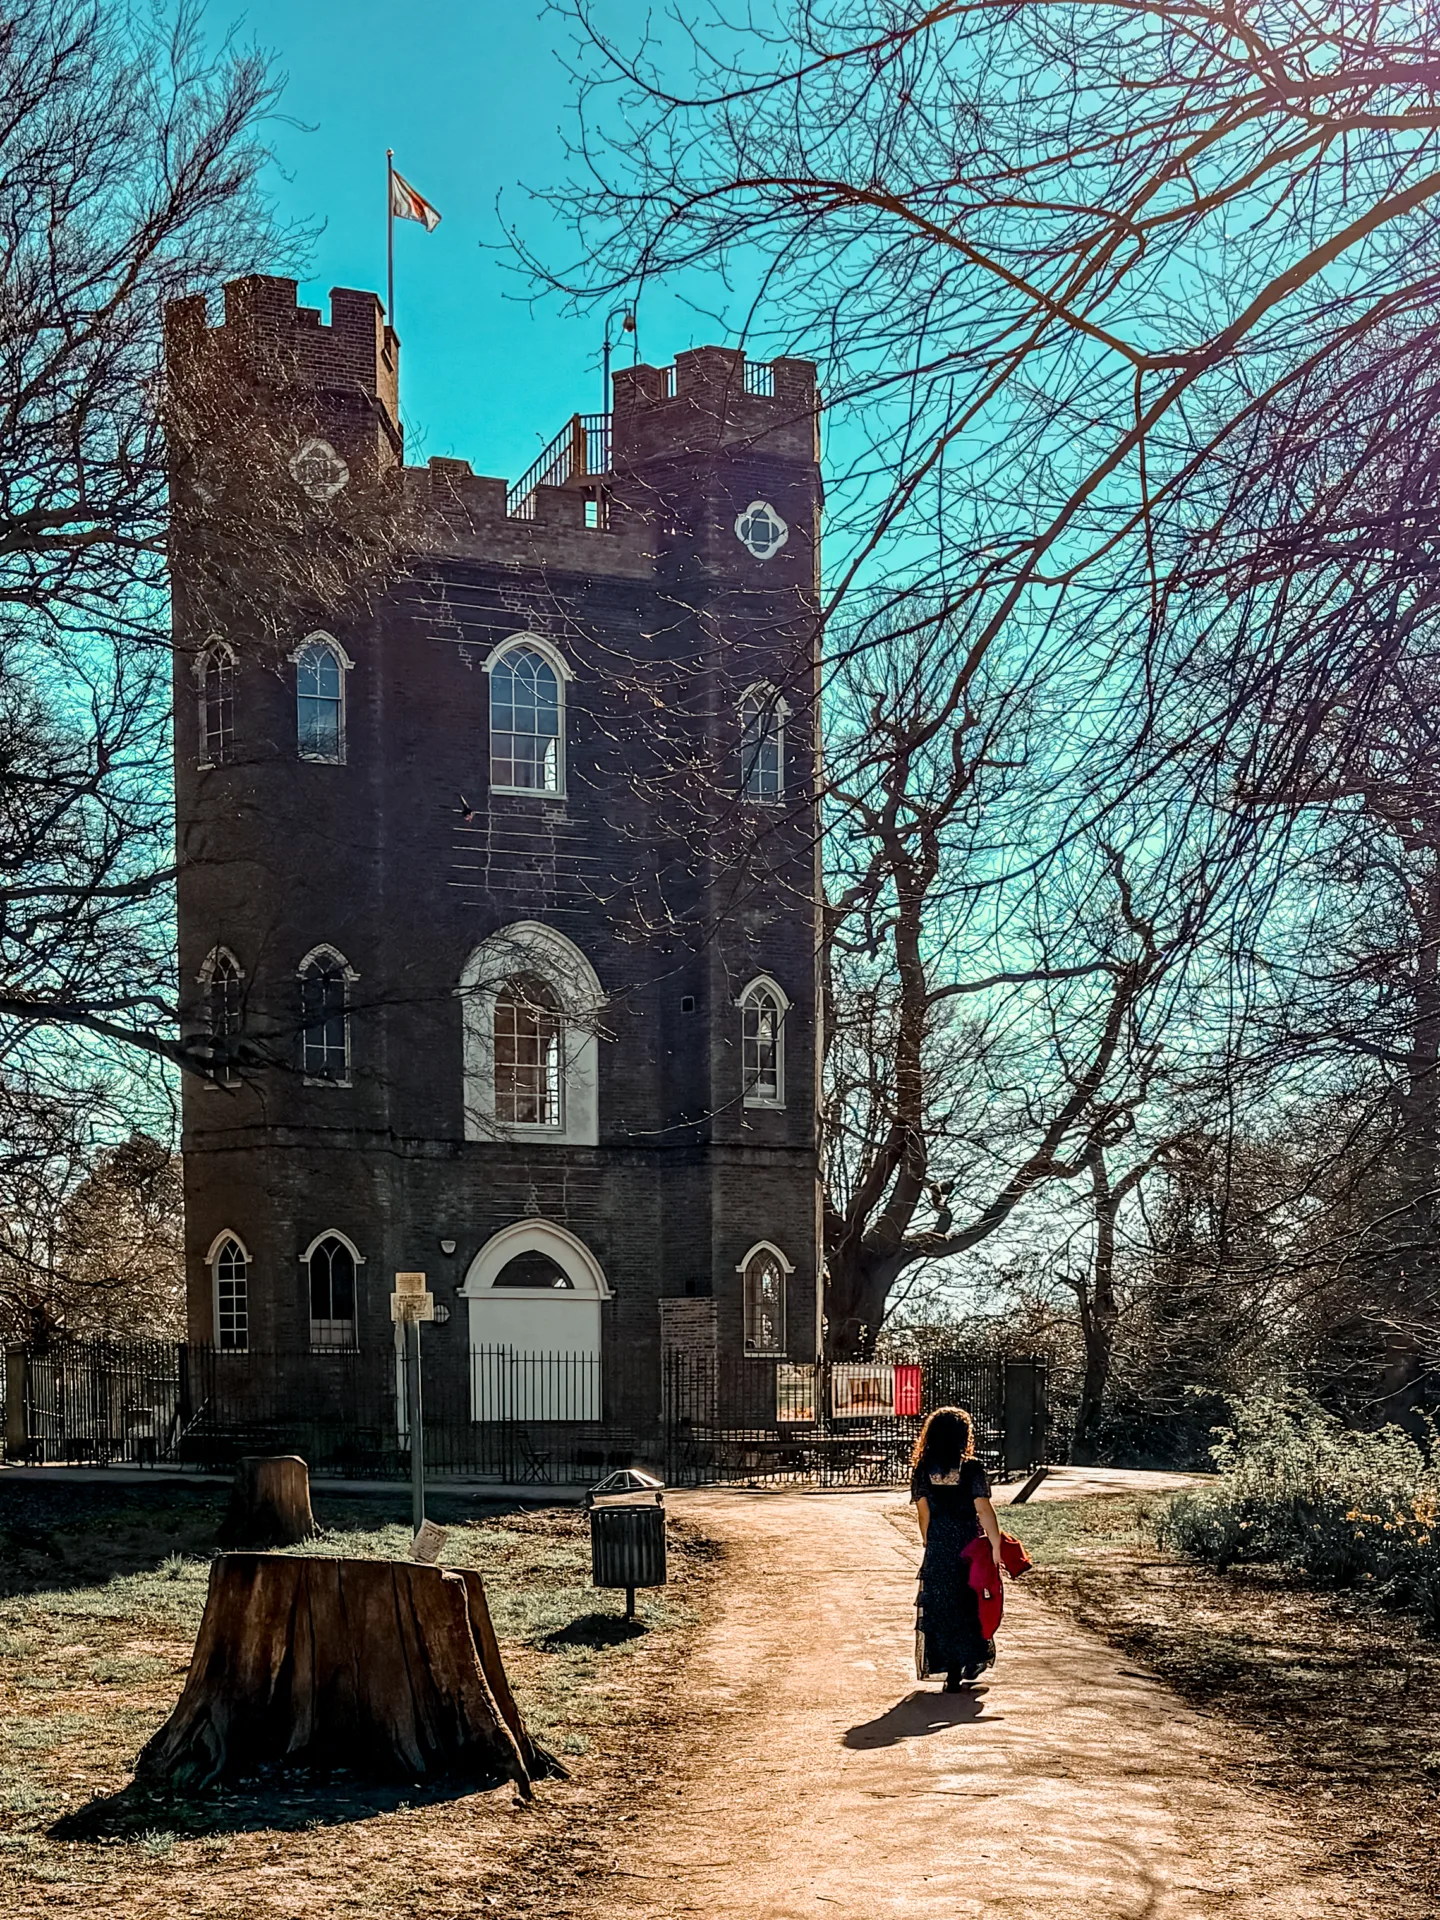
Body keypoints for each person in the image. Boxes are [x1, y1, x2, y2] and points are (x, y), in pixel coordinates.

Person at [910, 1405, 1005, 1690]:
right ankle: (971, 1658)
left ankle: (949, 1668)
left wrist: (929, 1541)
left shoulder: (923, 1470)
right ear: (963, 1436)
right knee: (971, 1601)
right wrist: (996, 1544)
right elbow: (984, 1509)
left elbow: (923, 1514)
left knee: (941, 1605)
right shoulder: (972, 1469)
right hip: (968, 1542)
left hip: (939, 1543)